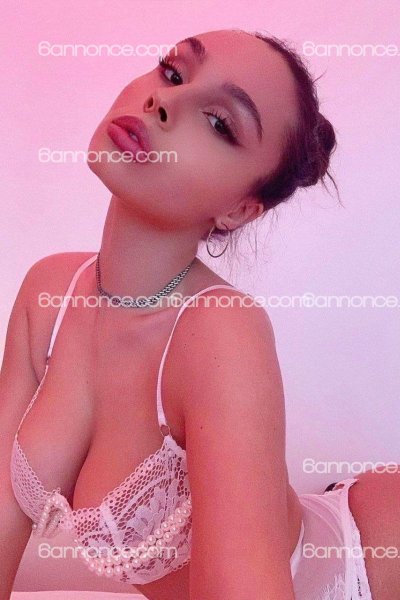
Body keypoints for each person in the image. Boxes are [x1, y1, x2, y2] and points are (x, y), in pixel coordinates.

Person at [1, 28, 399, 600]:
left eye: (218, 123)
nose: (164, 101)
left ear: (240, 209)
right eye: (173, 72)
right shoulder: (48, 295)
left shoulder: (221, 330)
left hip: (364, 560)